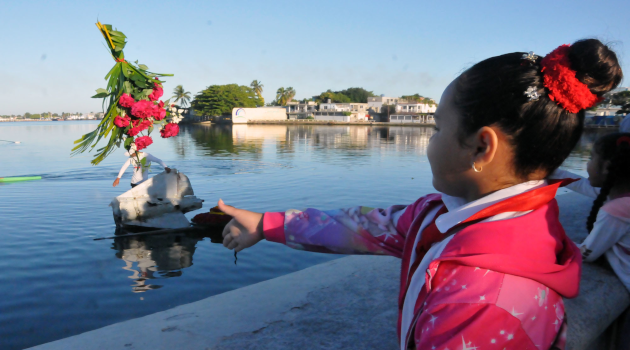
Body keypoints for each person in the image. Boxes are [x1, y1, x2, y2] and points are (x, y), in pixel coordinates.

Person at [219, 39, 622, 349]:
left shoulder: (480, 303)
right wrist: (267, 223)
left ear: (482, 147)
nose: (429, 143)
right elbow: (367, 227)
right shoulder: (454, 215)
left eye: (436, 129)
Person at [551, 133, 630, 292]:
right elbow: (582, 186)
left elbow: (588, 253)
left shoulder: (615, 211)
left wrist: (551, 242)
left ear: (607, 167)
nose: (588, 164)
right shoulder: (622, 196)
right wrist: (552, 172)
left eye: (591, 158)